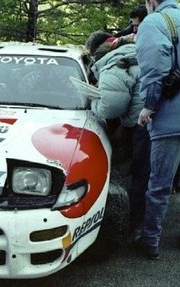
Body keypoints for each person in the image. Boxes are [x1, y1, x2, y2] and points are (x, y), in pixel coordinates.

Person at [85, 32, 151, 244]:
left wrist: (93, 99)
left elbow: (109, 109)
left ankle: (135, 227)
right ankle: (143, 226)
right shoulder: (138, 54)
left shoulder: (114, 65)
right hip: (159, 120)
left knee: (140, 175)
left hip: (143, 126)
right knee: (149, 175)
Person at [136, 0, 180, 260]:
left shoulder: (155, 22)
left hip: (170, 119)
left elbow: (154, 70)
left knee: (160, 185)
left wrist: (149, 105)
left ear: (151, 2)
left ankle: (150, 241)